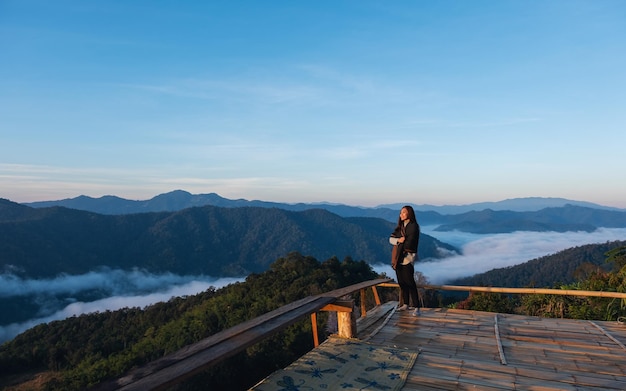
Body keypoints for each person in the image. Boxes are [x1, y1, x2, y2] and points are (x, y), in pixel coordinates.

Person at [389, 205, 421, 316]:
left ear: (409, 214)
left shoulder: (413, 226)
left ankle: (416, 306)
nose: (401, 215)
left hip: (408, 257)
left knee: (410, 282)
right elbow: (391, 239)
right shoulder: (400, 227)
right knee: (402, 282)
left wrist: (400, 242)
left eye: (403, 213)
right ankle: (406, 304)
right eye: (400, 213)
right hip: (399, 259)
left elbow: (410, 242)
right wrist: (399, 240)